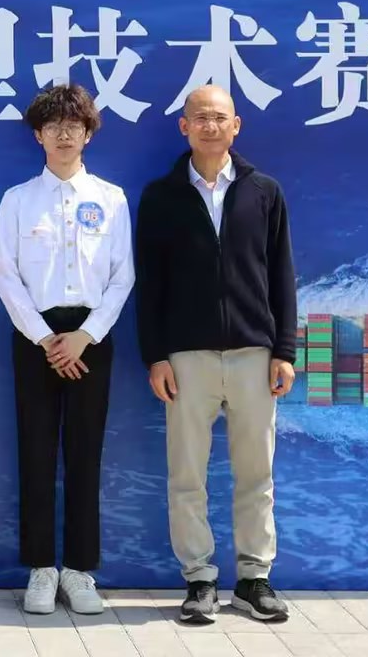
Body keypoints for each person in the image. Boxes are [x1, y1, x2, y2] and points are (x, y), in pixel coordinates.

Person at [135, 84, 297, 625]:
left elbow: (282, 275)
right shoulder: (161, 196)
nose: (210, 126)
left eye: (219, 117)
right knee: (187, 476)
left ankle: (254, 580)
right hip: (187, 358)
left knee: (256, 474)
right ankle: (199, 579)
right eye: (200, 117)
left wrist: (284, 349)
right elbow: (150, 284)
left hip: (255, 354)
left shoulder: (264, 191)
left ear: (236, 125)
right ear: (184, 126)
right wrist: (156, 356)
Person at [0, 84, 132, 617]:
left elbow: (122, 277)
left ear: (88, 133)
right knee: (35, 451)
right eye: (53, 126)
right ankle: (40, 569)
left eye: (74, 125)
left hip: (91, 337)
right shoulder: (18, 200)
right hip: (35, 337)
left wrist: (84, 336)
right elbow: (5, 275)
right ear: (38, 135)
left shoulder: (111, 198)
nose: (64, 134)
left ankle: (78, 570)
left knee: (84, 453)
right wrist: (44, 337)